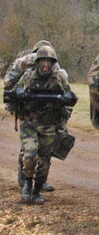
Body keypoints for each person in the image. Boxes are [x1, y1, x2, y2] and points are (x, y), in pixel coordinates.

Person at [14, 45, 76, 204]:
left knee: (44, 161)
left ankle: (36, 190)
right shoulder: (27, 77)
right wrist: (19, 93)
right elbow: (13, 93)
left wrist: (67, 98)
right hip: (29, 123)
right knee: (29, 154)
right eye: (42, 62)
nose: (45, 65)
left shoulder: (59, 79)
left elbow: (71, 95)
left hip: (49, 125)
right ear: (37, 62)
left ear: (53, 63)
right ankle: (27, 183)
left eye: (49, 62)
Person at [4, 40, 61, 193]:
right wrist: (21, 92)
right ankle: (24, 176)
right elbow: (8, 83)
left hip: (46, 114)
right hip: (26, 107)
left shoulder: (54, 66)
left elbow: (60, 84)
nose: (45, 62)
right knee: (28, 148)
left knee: (44, 151)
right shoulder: (24, 63)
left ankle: (40, 180)